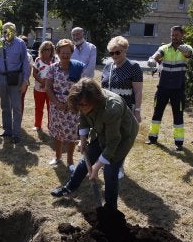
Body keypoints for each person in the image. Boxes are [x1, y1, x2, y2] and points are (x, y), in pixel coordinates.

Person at [50, 78, 139, 212]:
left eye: (83, 105)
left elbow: (113, 141)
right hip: (103, 130)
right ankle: (69, 188)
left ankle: (110, 208)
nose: (81, 108)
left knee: (110, 170)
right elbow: (83, 117)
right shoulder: (83, 100)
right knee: (88, 156)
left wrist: (97, 166)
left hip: (123, 136)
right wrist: (83, 138)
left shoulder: (111, 108)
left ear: (94, 100)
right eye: (78, 105)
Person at [101, 36, 143, 179]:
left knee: (121, 139)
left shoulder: (133, 67)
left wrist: (137, 111)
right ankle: (107, 162)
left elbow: (138, 91)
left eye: (117, 52)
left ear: (125, 51)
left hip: (125, 110)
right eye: (111, 53)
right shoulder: (108, 66)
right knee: (108, 138)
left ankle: (119, 166)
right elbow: (103, 88)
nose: (114, 56)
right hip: (108, 110)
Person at [146, 25, 193, 151]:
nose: (174, 37)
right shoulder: (164, 48)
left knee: (178, 115)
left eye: (177, 35)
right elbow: (157, 54)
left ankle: (179, 142)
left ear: (182, 35)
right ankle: (152, 138)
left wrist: (185, 50)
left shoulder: (186, 48)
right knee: (157, 113)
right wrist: (152, 59)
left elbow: (189, 53)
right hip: (163, 88)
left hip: (178, 89)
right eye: (172, 35)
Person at [45, 39, 84, 171]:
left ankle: (70, 161)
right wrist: (57, 103)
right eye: (63, 52)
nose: (65, 55)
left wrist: (69, 103)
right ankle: (57, 157)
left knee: (72, 134)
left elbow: (81, 88)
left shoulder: (77, 68)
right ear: (57, 52)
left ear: (72, 53)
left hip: (72, 107)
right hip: (56, 107)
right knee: (57, 133)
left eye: (68, 52)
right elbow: (48, 88)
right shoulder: (52, 68)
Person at [0, 22, 30, 144]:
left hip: (16, 78)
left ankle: (16, 133)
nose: (7, 34)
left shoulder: (20, 44)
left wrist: (25, 81)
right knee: (4, 106)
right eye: (5, 31)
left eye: (10, 31)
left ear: (14, 31)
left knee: (16, 106)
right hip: (1, 77)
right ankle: (7, 130)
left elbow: (25, 63)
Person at [32, 40, 56, 131]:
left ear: (52, 50)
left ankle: (51, 126)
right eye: (45, 49)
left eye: (49, 49)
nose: (47, 51)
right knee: (39, 107)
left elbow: (57, 73)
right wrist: (42, 82)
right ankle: (37, 125)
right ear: (41, 50)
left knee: (51, 108)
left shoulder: (55, 60)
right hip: (39, 88)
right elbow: (34, 73)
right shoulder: (38, 60)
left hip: (51, 89)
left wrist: (47, 84)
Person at [19, 35, 33, 120]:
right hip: (13, 80)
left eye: (25, 43)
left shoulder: (29, 56)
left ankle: (19, 118)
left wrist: (25, 81)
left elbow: (30, 70)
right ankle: (9, 119)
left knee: (20, 101)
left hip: (24, 81)